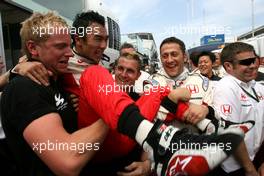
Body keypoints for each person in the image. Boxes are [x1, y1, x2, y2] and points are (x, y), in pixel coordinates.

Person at [0, 12, 109, 176]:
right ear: (32, 48)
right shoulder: (24, 88)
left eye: (68, 45)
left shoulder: (55, 79)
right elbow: (68, 160)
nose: (70, 53)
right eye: (60, 47)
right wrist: (113, 115)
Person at [212, 42, 264, 175]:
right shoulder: (225, 87)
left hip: (256, 157)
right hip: (234, 167)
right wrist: (250, 169)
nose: (253, 65)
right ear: (228, 66)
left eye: (254, 60)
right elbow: (232, 133)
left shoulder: (258, 87)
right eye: (246, 62)